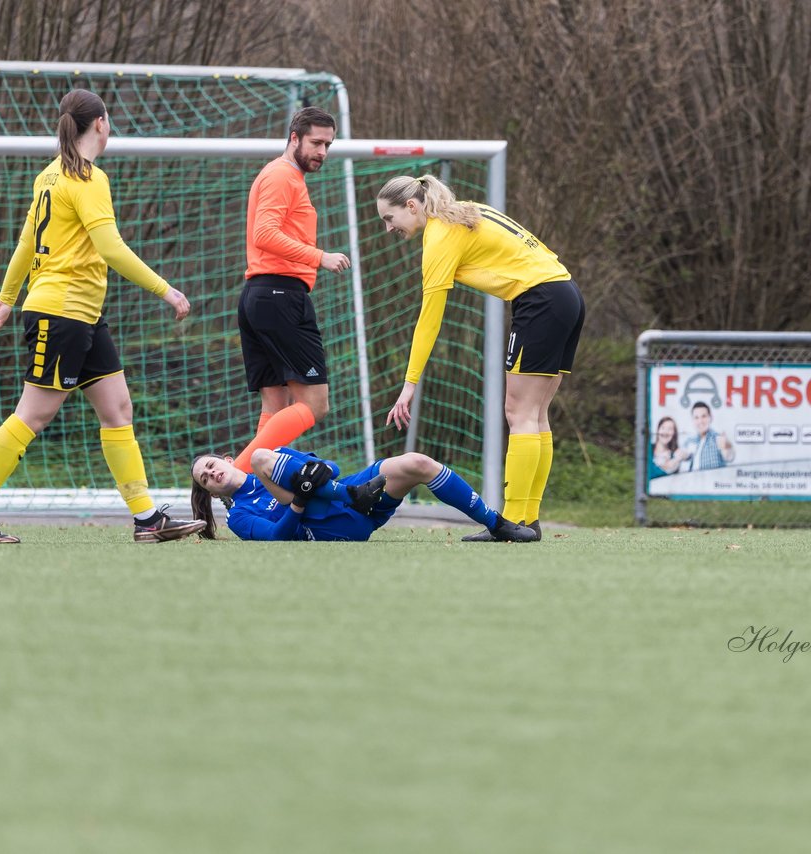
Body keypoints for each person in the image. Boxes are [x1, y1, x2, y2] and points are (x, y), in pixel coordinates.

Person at [0, 88, 204, 544]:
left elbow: (28, 243)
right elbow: (110, 248)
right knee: (33, 415)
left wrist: (8, 298)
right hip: (60, 313)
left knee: (117, 409)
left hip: (84, 315)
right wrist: (166, 290)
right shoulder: (87, 178)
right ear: (101, 124)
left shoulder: (49, 176)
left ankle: (147, 518)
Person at [375, 174, 584, 543]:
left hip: (540, 301)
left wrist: (409, 385)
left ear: (411, 206)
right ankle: (528, 521)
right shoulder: (468, 212)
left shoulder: (440, 235)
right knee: (535, 415)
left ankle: (513, 523)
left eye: (390, 219)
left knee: (519, 414)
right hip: (566, 294)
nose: (388, 228)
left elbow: (429, 318)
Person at [233, 106, 352, 473]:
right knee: (315, 404)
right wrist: (320, 257)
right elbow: (264, 234)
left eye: (329, 145)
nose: (323, 152)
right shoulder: (282, 176)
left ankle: (247, 488)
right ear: (294, 137)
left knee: (276, 408)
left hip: (262, 297)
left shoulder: (286, 176)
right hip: (280, 296)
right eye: (316, 142)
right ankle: (233, 475)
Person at [189, 447, 539, 542]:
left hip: (360, 493)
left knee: (417, 463)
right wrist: (298, 500)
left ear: (226, 460)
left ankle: (497, 524)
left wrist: (318, 477)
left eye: (210, 466)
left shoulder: (277, 456)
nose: (211, 474)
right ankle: (350, 497)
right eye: (205, 479)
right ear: (211, 490)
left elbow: (329, 468)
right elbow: (278, 536)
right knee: (263, 456)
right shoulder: (238, 516)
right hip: (337, 525)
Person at [682, 402, 735, 471]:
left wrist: (726, 447)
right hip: (692, 480)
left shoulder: (717, 438)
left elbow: (729, 457)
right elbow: (684, 456)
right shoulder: (690, 440)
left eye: (703, 416)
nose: (700, 421)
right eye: (696, 417)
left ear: (710, 418)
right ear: (693, 420)